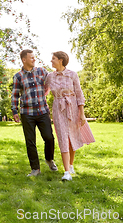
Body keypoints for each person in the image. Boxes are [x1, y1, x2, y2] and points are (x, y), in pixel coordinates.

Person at [46, 51, 95, 181]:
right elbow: (44, 92)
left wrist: (82, 114)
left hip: (72, 108)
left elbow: (79, 94)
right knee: (62, 138)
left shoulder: (72, 75)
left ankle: (71, 165)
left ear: (61, 60)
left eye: (53, 59)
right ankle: (67, 172)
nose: (51, 61)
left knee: (72, 137)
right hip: (58, 109)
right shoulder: (50, 76)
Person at [12, 49, 58, 176]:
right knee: (30, 141)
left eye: (34, 57)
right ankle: (35, 169)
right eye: (31, 57)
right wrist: (14, 110)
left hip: (42, 111)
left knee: (49, 137)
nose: (34, 59)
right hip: (27, 113)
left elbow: (50, 83)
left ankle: (49, 159)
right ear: (24, 60)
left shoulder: (42, 71)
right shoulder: (18, 76)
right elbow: (15, 95)